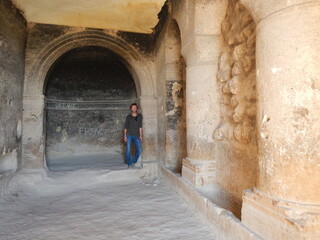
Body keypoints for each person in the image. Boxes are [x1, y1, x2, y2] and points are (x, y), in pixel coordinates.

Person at [123, 103, 143, 168]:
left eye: (135, 107)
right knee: (128, 150)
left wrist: (141, 135)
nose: (134, 109)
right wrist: (125, 136)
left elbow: (140, 126)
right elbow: (125, 127)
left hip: (137, 135)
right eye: (133, 108)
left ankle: (134, 161)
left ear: (137, 108)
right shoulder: (128, 117)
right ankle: (129, 163)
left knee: (139, 150)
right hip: (129, 135)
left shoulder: (140, 116)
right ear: (131, 108)